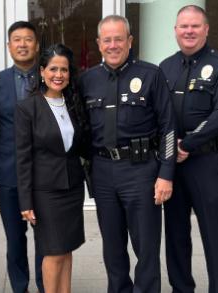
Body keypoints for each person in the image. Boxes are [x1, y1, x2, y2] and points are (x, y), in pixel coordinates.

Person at [77, 15, 175, 293]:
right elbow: (81, 129)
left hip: (141, 170)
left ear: (130, 41)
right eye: (106, 40)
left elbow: (168, 127)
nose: (113, 45)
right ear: (98, 44)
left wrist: (165, 174)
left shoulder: (151, 74)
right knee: (112, 246)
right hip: (103, 171)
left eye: (118, 38)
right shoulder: (88, 80)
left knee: (146, 246)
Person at [158, 5, 218, 293]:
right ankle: (181, 288)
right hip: (174, 166)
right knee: (176, 235)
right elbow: (158, 115)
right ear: (176, 31)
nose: (189, 31)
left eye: (195, 26)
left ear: (206, 29)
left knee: (214, 234)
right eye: (183, 26)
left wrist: (187, 144)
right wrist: (169, 150)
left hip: (207, 163)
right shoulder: (165, 67)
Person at [16, 44, 88, 293]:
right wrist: (25, 201)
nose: (59, 75)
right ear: (43, 71)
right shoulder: (28, 108)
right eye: (54, 69)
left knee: (67, 250)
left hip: (72, 188)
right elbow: (23, 158)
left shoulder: (73, 104)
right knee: (53, 252)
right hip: (46, 193)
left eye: (64, 70)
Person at [0, 20, 44, 293]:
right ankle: (20, 288)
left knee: (47, 239)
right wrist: (10, 152)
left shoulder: (51, 76)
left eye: (28, 39)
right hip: (9, 175)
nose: (22, 44)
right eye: (16, 40)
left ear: (37, 45)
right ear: (8, 46)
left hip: (45, 175)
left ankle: (46, 286)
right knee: (15, 239)